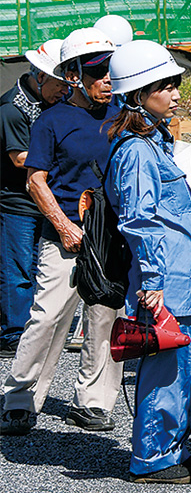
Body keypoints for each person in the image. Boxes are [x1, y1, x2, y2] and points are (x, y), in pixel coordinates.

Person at [0, 28, 122, 436]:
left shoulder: (124, 114)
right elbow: (36, 180)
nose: (107, 79)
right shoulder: (51, 121)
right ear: (73, 75)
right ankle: (19, 398)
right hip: (66, 234)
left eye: (111, 71)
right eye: (97, 72)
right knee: (47, 317)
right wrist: (64, 226)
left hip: (111, 239)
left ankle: (92, 402)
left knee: (106, 320)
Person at [106, 41, 191, 483]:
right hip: (165, 281)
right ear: (137, 94)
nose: (174, 94)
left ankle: (174, 449)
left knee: (185, 372)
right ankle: (152, 459)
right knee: (166, 372)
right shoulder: (135, 151)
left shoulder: (156, 144)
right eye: (163, 87)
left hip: (184, 277)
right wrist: (152, 279)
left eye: (174, 85)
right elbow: (139, 220)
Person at [0, 39, 68, 353]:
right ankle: (14, 332)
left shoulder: (50, 104)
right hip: (16, 201)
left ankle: (35, 327)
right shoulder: (12, 108)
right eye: (58, 83)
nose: (63, 91)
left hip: (42, 197)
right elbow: (18, 158)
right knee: (17, 268)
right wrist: (62, 156)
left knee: (39, 266)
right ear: (39, 76)